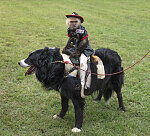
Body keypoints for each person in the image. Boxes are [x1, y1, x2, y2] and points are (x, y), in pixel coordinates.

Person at [62, 12, 93, 98]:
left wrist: (78, 51)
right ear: (68, 22)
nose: (73, 23)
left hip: (84, 49)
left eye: (75, 22)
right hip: (74, 49)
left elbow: (84, 42)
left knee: (83, 63)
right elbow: (70, 39)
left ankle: (83, 84)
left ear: (79, 22)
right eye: (71, 22)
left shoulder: (82, 30)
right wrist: (67, 47)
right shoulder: (69, 29)